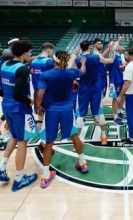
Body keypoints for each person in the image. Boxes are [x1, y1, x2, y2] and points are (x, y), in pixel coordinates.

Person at [0, 40, 38, 192]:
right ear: (24, 53)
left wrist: (6, 95)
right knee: (22, 141)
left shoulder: (4, 64)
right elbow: (18, 94)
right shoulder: (22, 69)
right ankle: (19, 178)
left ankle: (1, 168)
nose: (31, 54)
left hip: (7, 106)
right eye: (30, 52)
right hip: (19, 109)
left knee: (14, 136)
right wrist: (28, 101)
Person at [36, 51, 89, 189]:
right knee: (74, 136)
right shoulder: (71, 72)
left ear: (54, 61)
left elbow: (40, 93)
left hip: (52, 111)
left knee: (49, 142)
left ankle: (45, 176)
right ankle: (82, 163)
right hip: (67, 109)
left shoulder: (46, 75)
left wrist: (38, 107)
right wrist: (82, 63)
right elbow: (82, 71)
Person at [75, 40, 114, 145]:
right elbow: (110, 60)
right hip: (96, 88)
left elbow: (73, 73)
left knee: (80, 114)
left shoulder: (78, 59)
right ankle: (104, 136)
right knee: (99, 112)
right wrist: (111, 50)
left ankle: (77, 140)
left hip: (83, 88)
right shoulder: (96, 57)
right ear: (90, 47)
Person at [30, 42, 54, 127]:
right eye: (51, 50)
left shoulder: (33, 61)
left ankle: (41, 137)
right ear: (48, 50)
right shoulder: (49, 62)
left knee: (40, 115)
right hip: (47, 92)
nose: (52, 52)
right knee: (50, 116)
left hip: (37, 92)